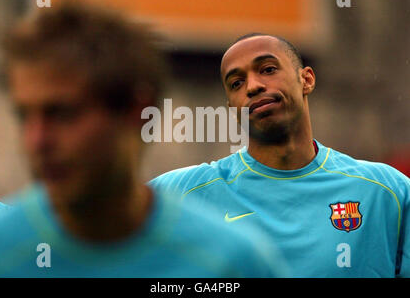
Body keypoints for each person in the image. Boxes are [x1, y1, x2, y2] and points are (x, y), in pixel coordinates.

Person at [0, 6, 288, 277]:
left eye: (62, 114)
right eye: (24, 116)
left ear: (138, 113)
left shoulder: (233, 262)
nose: (37, 140)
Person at [150, 33, 410, 278]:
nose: (252, 86)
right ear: (232, 109)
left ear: (306, 80)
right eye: (236, 83)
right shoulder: (182, 193)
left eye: (268, 70)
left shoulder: (387, 192)